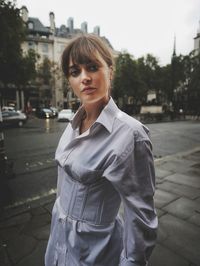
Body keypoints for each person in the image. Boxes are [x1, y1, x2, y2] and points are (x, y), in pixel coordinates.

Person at [45, 34, 158, 266]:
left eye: (93, 67)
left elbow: (140, 216)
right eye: (75, 72)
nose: (84, 78)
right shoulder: (72, 125)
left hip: (95, 252)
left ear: (110, 71)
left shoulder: (131, 134)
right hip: (57, 245)